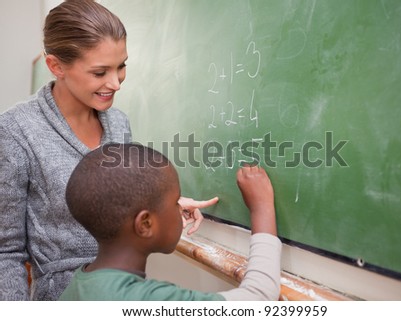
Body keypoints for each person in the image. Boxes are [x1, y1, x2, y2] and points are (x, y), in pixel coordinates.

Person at [0, 0, 216, 301]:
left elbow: (120, 203)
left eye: (121, 66)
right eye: (100, 72)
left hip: (125, 295)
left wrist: (165, 204)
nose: (115, 83)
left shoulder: (118, 123)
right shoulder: (15, 130)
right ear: (56, 66)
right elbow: (4, 251)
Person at [59, 143, 280, 301]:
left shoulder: (79, 286)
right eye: (176, 202)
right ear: (145, 224)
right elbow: (258, 297)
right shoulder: (145, 301)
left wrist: (165, 211)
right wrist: (262, 208)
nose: (180, 208)